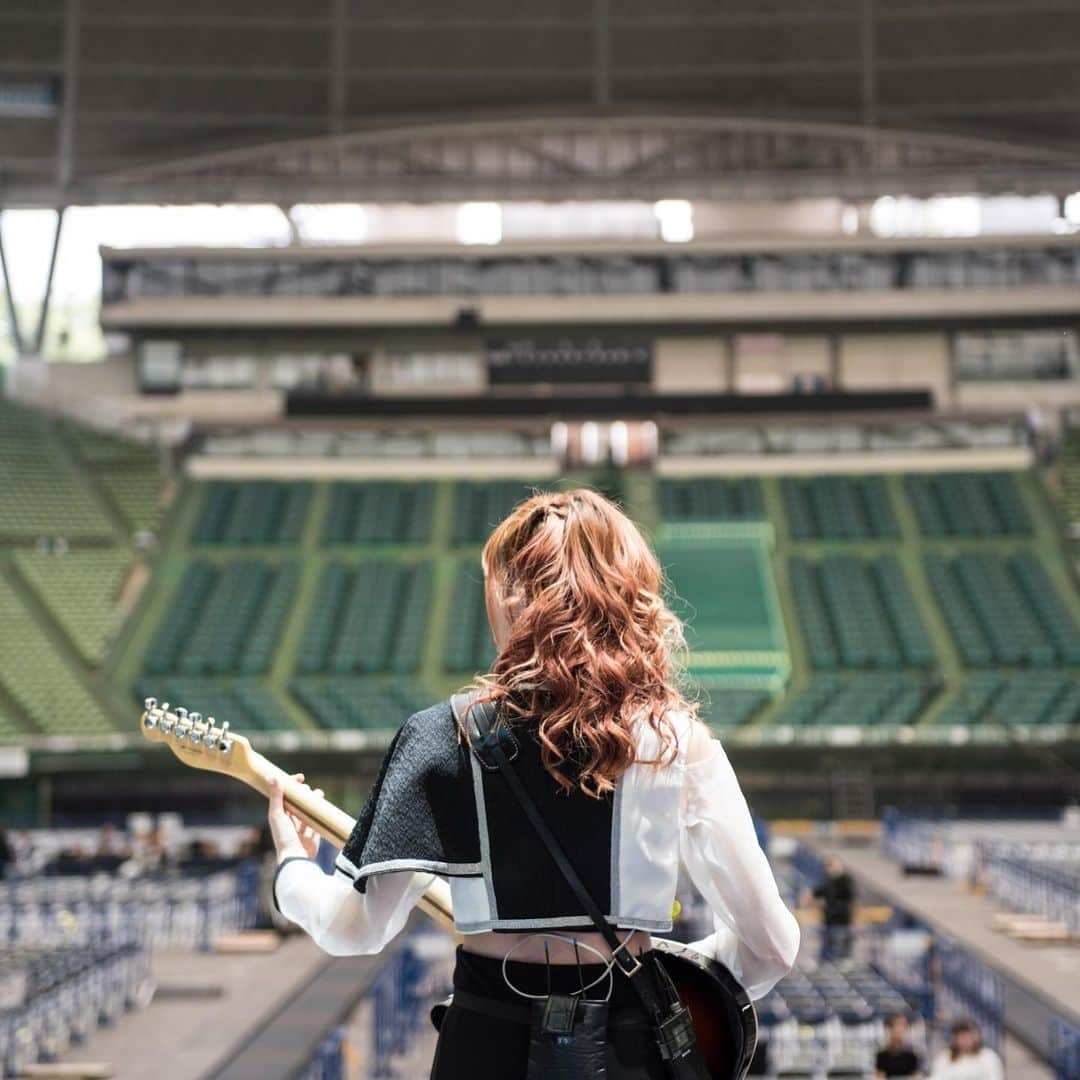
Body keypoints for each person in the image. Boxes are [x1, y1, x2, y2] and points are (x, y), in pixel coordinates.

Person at [267, 489, 800, 1079]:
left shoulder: (438, 737)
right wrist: (654, 971)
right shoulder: (677, 741)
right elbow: (771, 948)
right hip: (625, 1047)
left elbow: (353, 929)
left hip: (483, 1047)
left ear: (513, 602)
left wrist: (291, 868)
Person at [803, 855, 856, 961]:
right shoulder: (830, 881)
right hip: (829, 923)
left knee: (838, 956)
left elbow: (846, 901)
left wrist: (825, 904)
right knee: (827, 956)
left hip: (841, 923)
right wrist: (811, 896)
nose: (829, 869)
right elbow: (820, 892)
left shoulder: (846, 881)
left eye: (831, 866)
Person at [928, 1020, 1003, 1080]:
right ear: (954, 1038)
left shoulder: (988, 1056)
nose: (965, 1041)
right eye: (962, 1037)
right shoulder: (944, 1058)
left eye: (969, 1036)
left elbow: (995, 1077)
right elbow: (936, 1077)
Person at [876, 1013, 923, 1078]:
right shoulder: (882, 1056)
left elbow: (916, 1076)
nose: (900, 1030)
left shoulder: (912, 1056)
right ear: (889, 1029)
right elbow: (879, 1076)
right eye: (896, 1026)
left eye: (904, 1026)